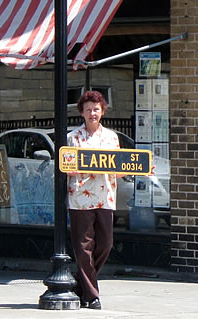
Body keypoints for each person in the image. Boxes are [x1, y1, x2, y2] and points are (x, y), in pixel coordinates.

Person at [67, 91, 121, 310]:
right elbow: (68, 168)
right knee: (84, 247)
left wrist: (139, 169)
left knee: (106, 244)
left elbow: (120, 167)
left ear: (102, 111)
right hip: (80, 198)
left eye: (96, 109)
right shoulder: (73, 137)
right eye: (88, 109)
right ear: (82, 112)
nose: (92, 113)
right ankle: (91, 295)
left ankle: (80, 284)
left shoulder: (111, 137)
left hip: (106, 198)